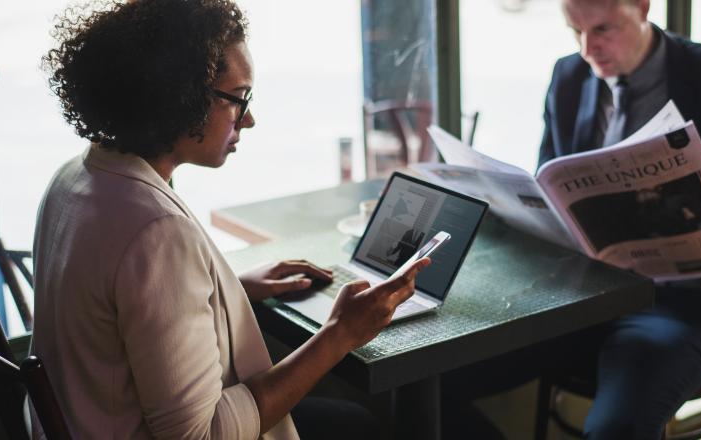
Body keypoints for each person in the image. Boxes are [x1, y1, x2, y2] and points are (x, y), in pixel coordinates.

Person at [31, 1, 430, 439]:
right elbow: (199, 436)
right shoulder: (157, 230)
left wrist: (225, 292)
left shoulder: (76, 178)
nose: (250, 118)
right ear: (178, 97)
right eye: (238, 99)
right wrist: (339, 334)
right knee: (362, 428)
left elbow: (119, 312)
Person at [539, 0, 701, 437]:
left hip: (679, 305)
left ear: (643, 6)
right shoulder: (568, 76)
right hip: (578, 295)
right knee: (443, 373)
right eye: (575, 31)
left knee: (616, 429)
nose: (589, 49)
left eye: (604, 29)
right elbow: (549, 181)